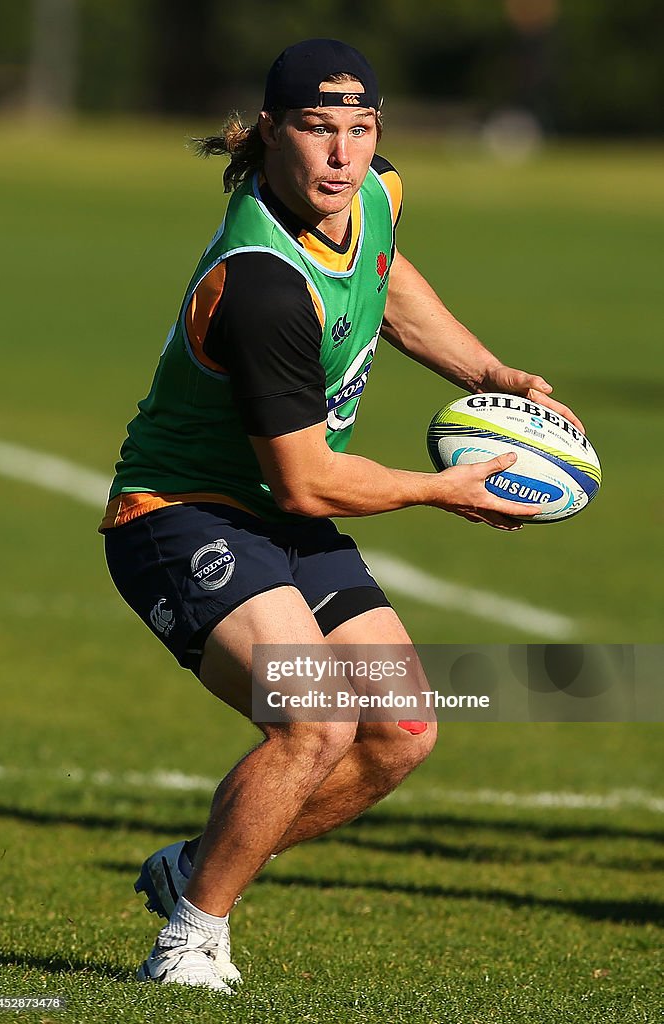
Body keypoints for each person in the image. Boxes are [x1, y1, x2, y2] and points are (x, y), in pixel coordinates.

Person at [100, 38, 583, 992]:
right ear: (272, 133)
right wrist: (446, 487)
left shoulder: (371, 192)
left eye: (361, 132)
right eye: (319, 131)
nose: (343, 157)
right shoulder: (262, 286)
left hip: (271, 507)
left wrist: (488, 374)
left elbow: (389, 275)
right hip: (179, 514)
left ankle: (196, 865)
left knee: (399, 730)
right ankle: (190, 937)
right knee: (315, 718)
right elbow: (310, 485)